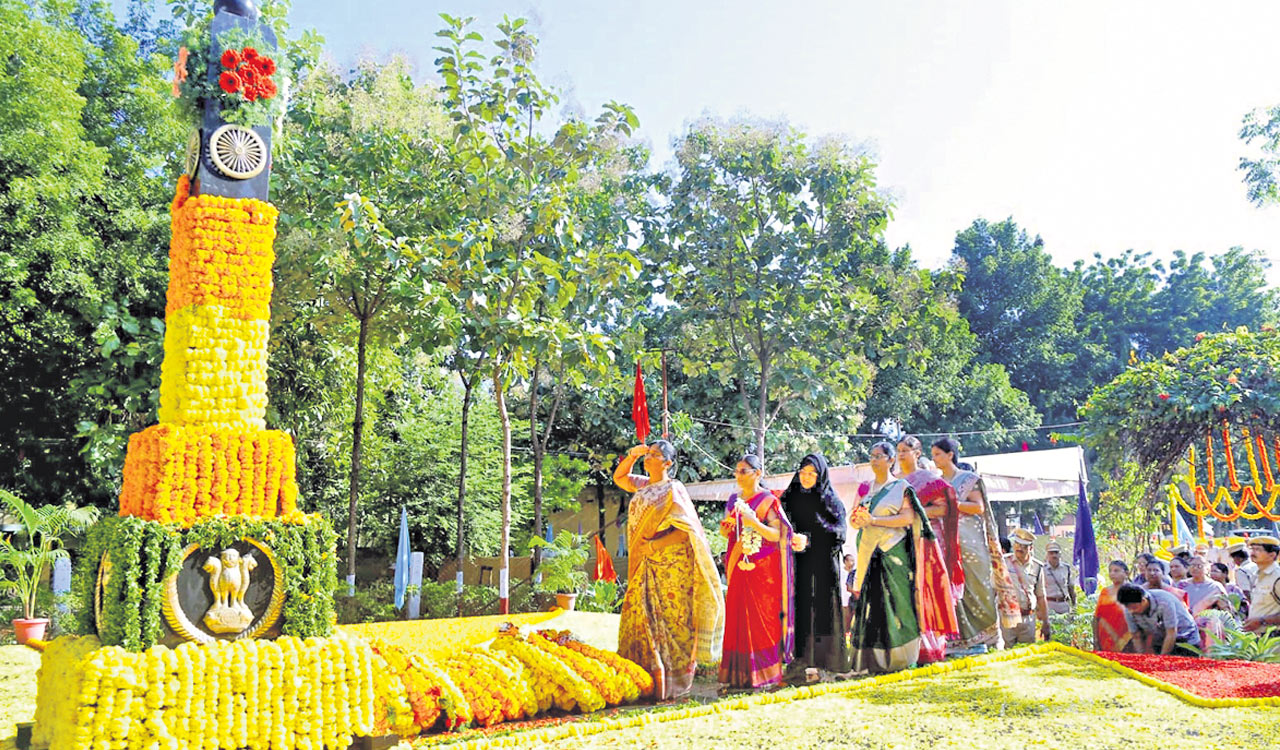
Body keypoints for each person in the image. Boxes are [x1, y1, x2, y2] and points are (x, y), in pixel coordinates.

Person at [614, 440, 724, 700]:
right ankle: (639, 677)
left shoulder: (674, 489)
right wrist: (632, 454)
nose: (648, 458)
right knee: (639, 614)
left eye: (654, 455)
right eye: (648, 454)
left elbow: (687, 532)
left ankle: (670, 680)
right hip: (643, 564)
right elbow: (619, 477)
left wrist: (655, 544)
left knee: (671, 619)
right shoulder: (642, 485)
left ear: (667, 463)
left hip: (669, 567)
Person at [850, 441, 949, 673]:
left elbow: (907, 518)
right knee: (871, 605)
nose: (874, 461)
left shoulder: (901, 487)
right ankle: (872, 659)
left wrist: (874, 521)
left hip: (892, 553)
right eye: (872, 456)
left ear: (891, 460)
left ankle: (901, 658)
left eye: (880, 456)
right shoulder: (865, 489)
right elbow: (854, 518)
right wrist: (858, 521)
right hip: (867, 551)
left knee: (897, 604)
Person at [931, 437, 1021, 652]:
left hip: (970, 541)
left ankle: (986, 637)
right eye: (933, 455)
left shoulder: (968, 479)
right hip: (946, 543)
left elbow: (978, 507)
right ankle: (957, 641)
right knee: (953, 589)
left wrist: (953, 504)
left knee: (978, 586)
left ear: (950, 455)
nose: (934, 459)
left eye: (937, 454)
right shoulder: (936, 483)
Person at [718, 453, 795, 690]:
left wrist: (755, 523)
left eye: (744, 471)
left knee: (761, 619)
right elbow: (727, 533)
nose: (738, 475)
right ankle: (738, 674)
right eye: (737, 471)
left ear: (758, 473)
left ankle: (764, 673)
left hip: (763, 569)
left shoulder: (767, 500)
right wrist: (725, 529)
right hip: (739, 565)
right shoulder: (733, 500)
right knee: (737, 615)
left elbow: (779, 534)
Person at [780, 453, 850, 674]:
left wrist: (809, 539)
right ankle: (799, 659)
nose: (807, 477)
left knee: (824, 611)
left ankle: (829, 662)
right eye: (803, 472)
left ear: (820, 475)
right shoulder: (789, 498)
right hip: (798, 565)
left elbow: (839, 534)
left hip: (823, 565)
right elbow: (778, 522)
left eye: (812, 473)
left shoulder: (831, 500)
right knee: (800, 610)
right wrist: (790, 539)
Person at [896, 436, 961, 662]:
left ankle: (931, 647)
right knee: (905, 589)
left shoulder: (928, 479)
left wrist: (916, 513)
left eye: (906, 450)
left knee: (928, 588)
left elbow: (944, 509)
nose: (901, 454)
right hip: (900, 541)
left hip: (927, 541)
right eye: (898, 450)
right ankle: (908, 646)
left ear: (917, 453)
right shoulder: (893, 482)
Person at [1117, 583, 1201, 656]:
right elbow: (1136, 636)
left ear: (1143, 601)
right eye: (1128, 608)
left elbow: (1171, 632)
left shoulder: (1164, 602)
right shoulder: (1129, 609)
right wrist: (1141, 657)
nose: (1131, 611)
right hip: (1161, 639)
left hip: (1186, 639)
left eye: (1134, 608)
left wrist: (1162, 658)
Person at [1003, 529, 1048, 644]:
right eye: (1017, 544)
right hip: (1007, 617)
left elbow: (1041, 596)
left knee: (1027, 654)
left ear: (1031, 548)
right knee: (1005, 656)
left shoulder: (1037, 567)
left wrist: (1046, 622)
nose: (1020, 548)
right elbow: (993, 589)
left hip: (1028, 619)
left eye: (1024, 546)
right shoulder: (1004, 562)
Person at [1242, 536, 1280, 636]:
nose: (1253, 553)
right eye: (1252, 549)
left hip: (1274, 637)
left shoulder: (1277, 577)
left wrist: (1261, 621)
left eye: (1258, 549)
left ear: (1272, 555)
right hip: (1259, 636)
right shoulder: (1257, 575)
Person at [1094, 561, 1131, 652]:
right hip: (1105, 638)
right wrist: (1095, 640)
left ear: (1126, 573)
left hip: (1128, 640)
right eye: (1110, 571)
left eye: (1116, 571)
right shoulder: (1105, 592)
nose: (1112, 574)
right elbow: (1096, 617)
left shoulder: (1133, 591)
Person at [1042, 541, 1077, 615]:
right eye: (1051, 553)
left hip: (1063, 605)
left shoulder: (1066, 568)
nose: (1054, 555)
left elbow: (1071, 588)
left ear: (1060, 554)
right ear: (1047, 555)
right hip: (1049, 605)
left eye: (1056, 552)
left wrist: (1074, 606)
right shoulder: (1042, 569)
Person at [842, 553, 857, 635]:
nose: (853, 563)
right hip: (843, 601)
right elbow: (848, 586)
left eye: (853, 561)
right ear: (845, 561)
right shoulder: (841, 571)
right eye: (851, 560)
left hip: (851, 600)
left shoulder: (854, 573)